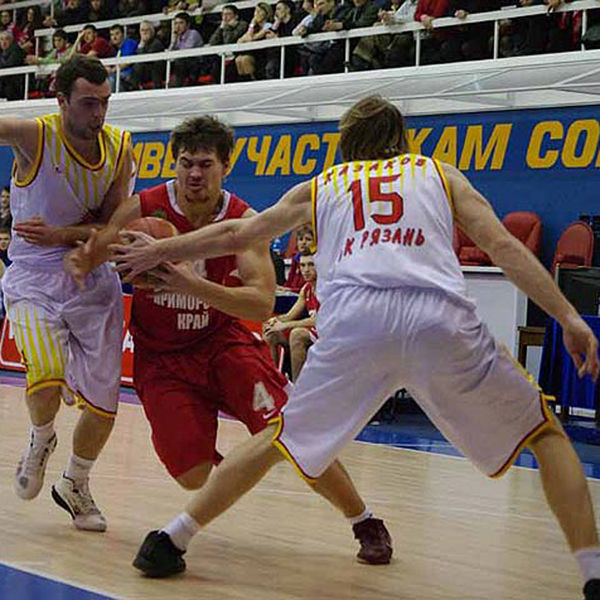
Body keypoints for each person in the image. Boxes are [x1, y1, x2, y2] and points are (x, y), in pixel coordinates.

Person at [111, 95, 600, 600]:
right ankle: (592, 571)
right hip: (437, 317)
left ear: (345, 144)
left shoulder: (323, 184)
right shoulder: (440, 174)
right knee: (546, 434)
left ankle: (171, 538)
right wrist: (567, 316)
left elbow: (240, 232)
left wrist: (161, 248)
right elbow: (503, 246)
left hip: (356, 320)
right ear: (403, 140)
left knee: (279, 438)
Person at [66, 115, 394, 576]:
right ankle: (240, 467)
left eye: (205, 164)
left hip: (226, 345)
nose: (194, 174)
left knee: (293, 431)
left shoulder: (244, 220)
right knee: (192, 475)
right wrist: (79, 258)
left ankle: (364, 521)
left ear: (226, 166)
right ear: (174, 164)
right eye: (186, 163)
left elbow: (261, 304)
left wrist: (186, 281)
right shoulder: (143, 209)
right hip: (163, 358)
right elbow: (90, 255)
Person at [2, 55, 134, 532]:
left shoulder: (119, 146)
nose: (99, 114)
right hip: (34, 276)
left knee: (104, 404)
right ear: (61, 101)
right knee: (46, 378)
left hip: (92, 275)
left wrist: (63, 235)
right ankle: (41, 438)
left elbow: (112, 226)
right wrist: (71, 237)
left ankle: (75, 482)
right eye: (87, 103)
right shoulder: (35, 136)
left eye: (104, 102)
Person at [264, 250, 319, 380]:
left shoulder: (327, 287)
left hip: (328, 333)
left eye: (311, 265)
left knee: (297, 334)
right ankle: (275, 382)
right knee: (271, 333)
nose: (306, 270)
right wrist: (274, 321)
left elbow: (320, 320)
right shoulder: (306, 289)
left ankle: (298, 387)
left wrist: (287, 325)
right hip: (314, 332)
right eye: (302, 265)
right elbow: (289, 315)